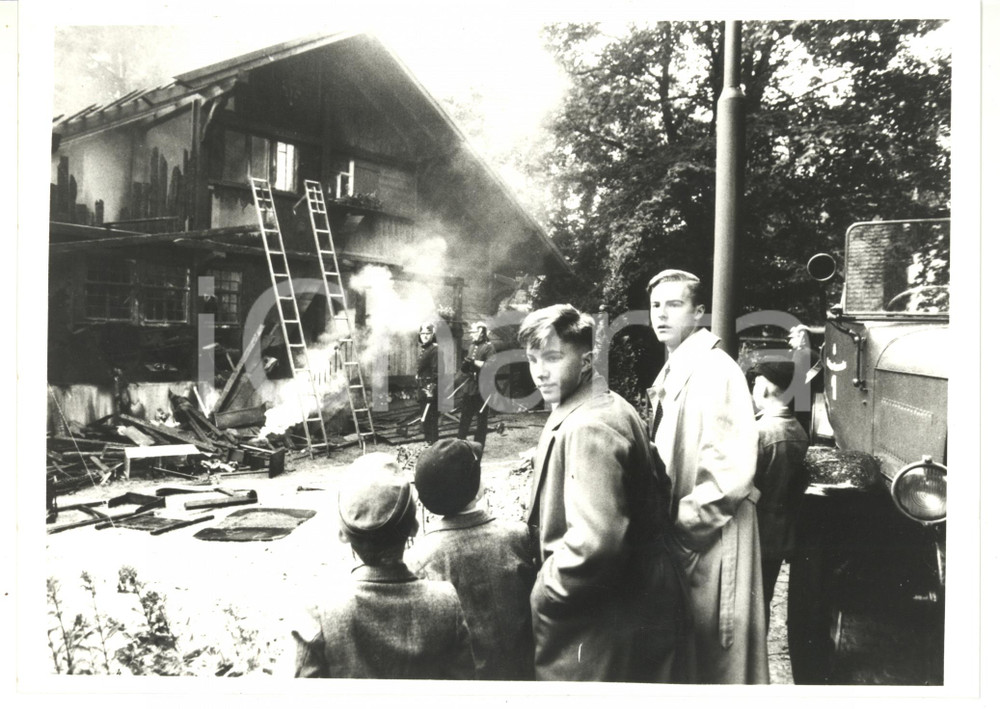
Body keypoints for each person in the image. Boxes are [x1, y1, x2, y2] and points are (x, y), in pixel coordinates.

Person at [519, 304, 689, 682]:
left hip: (598, 624)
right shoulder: (606, 404)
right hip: (628, 610)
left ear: (586, 360)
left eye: (552, 357)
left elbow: (594, 545)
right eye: (532, 359)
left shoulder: (589, 424)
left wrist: (543, 593)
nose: (540, 372)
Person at [646, 269, 769, 684]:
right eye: (655, 305)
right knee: (694, 658)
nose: (661, 314)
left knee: (719, 659)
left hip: (711, 537)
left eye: (674, 304)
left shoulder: (716, 370)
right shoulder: (681, 367)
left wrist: (680, 533)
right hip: (694, 538)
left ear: (699, 312)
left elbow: (729, 475)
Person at [290, 453, 475, 679]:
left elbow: (297, 695)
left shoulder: (321, 609)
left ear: (342, 535)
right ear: (414, 527)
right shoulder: (446, 603)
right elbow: (465, 692)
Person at [408, 439, 536, 680]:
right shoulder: (519, 536)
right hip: (523, 676)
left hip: (465, 687)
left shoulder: (418, 558)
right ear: (478, 489)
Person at [749, 360, 810, 628]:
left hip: (756, 531)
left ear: (763, 389)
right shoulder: (797, 429)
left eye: (755, 383)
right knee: (764, 596)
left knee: (749, 602)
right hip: (780, 531)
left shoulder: (761, 432)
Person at [457, 321, 496, 447]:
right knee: (465, 418)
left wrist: (474, 362)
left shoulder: (489, 347)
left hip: (482, 388)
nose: (471, 334)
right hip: (470, 387)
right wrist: (465, 367)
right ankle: (459, 444)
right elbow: (469, 364)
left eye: (474, 332)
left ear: (481, 333)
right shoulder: (472, 346)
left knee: (481, 420)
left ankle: (478, 446)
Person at [416, 321, 440, 443]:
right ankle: (429, 445)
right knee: (426, 421)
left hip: (430, 391)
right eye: (422, 333)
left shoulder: (434, 350)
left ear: (432, 335)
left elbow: (437, 372)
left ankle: (433, 447)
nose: (424, 336)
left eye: (428, 333)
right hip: (423, 389)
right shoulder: (425, 349)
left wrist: (431, 391)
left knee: (431, 421)